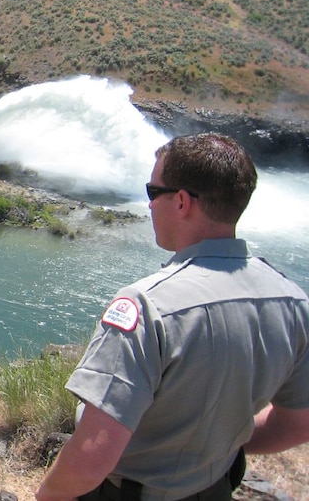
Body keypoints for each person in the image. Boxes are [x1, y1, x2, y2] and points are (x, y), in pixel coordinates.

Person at [36, 132, 309, 501]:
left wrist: (47, 496)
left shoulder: (147, 307)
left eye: (153, 192)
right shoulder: (292, 301)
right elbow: (297, 423)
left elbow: (91, 457)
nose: (149, 206)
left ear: (181, 202)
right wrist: (219, 445)